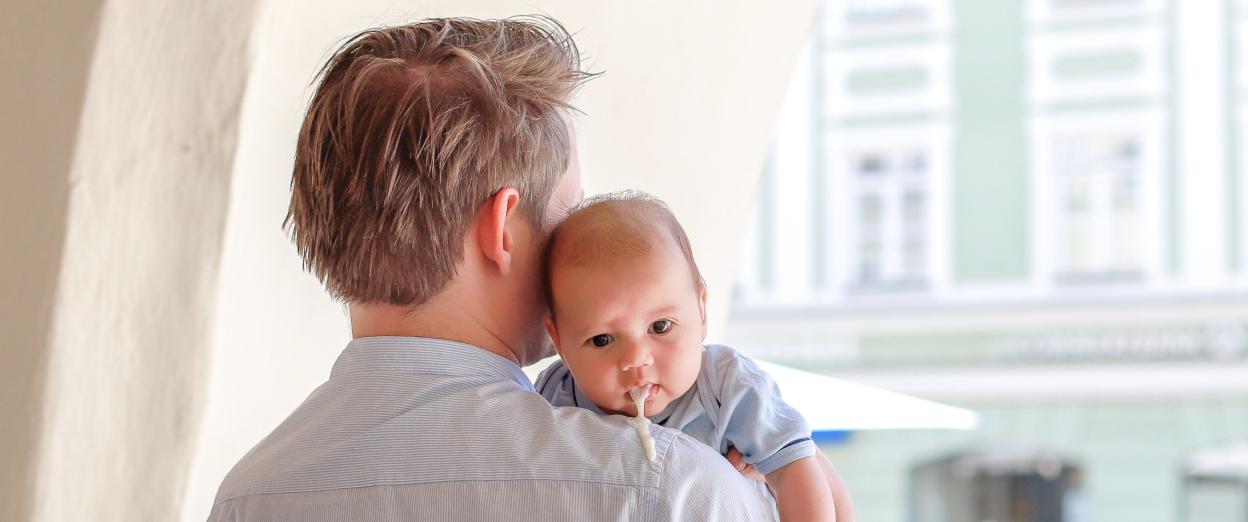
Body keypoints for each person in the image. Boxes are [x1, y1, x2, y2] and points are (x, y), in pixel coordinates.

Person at [208, 16, 795, 521]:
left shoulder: (245, 496)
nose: (580, 237)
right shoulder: (668, 484)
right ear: (502, 229)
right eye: (570, 210)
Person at [536, 192, 853, 522]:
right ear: (559, 341)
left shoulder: (726, 385)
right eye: (602, 339)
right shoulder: (557, 396)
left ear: (701, 312)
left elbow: (796, 473)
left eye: (660, 327)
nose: (636, 358)